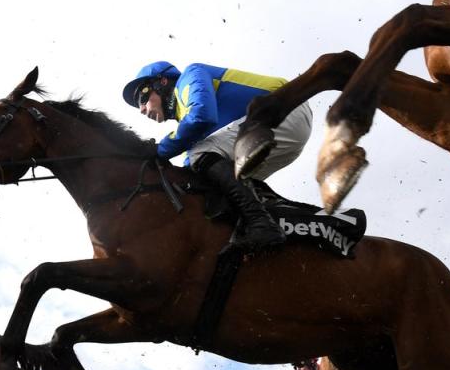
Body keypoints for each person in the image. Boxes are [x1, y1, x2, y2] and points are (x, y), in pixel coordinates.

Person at [122, 61, 312, 250]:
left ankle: (263, 225)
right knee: (211, 184)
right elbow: (195, 164)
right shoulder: (186, 116)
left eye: (142, 97)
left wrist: (160, 150)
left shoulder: (191, 75)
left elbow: (201, 116)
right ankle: (276, 226)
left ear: (162, 82)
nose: (142, 109)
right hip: (284, 129)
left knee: (199, 155)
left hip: (285, 108)